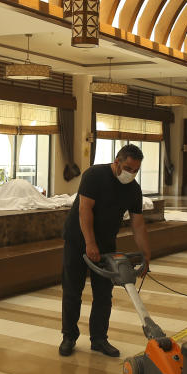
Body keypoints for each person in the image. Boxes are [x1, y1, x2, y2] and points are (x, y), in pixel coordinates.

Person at [59, 144, 151, 357]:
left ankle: (99, 339)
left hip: (107, 245)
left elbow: (138, 224)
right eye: (128, 167)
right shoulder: (95, 175)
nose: (131, 173)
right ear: (117, 161)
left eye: (135, 170)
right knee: (73, 290)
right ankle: (69, 337)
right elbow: (84, 210)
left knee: (103, 295)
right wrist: (90, 244)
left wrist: (146, 255)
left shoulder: (133, 189)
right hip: (77, 240)